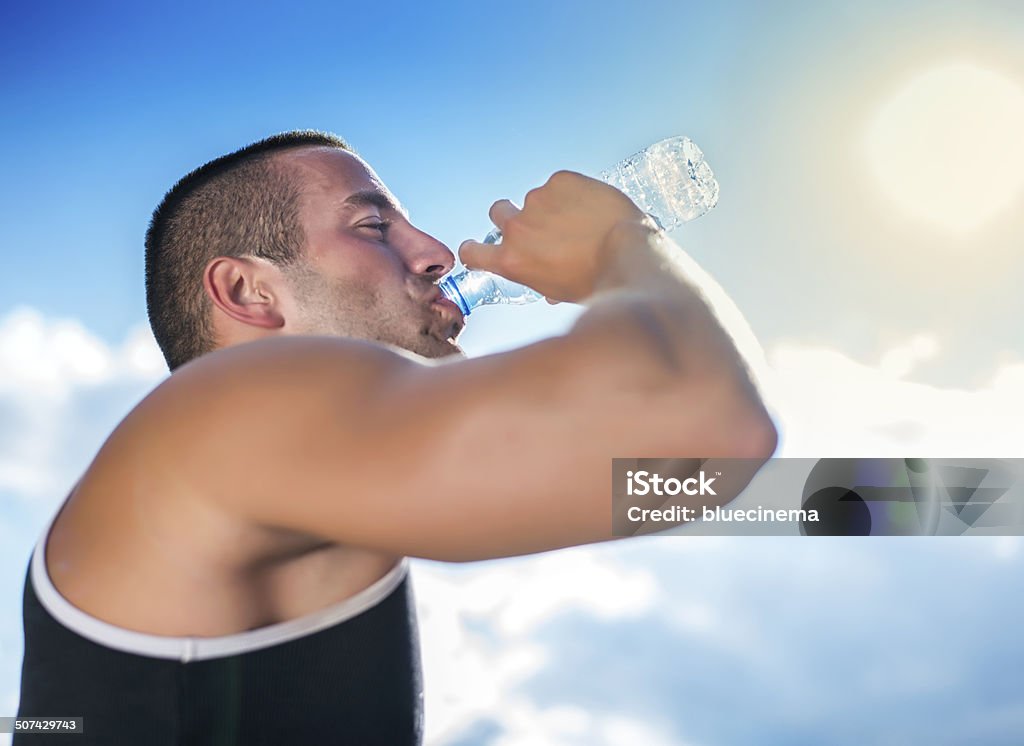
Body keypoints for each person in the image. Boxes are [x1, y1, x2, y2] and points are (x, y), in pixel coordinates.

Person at [15, 130, 777, 744]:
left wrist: (885, 492)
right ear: (249, 293)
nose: (437, 252)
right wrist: (621, 241)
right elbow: (708, 429)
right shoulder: (224, 410)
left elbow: (664, 472)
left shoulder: (287, 477)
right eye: (373, 226)